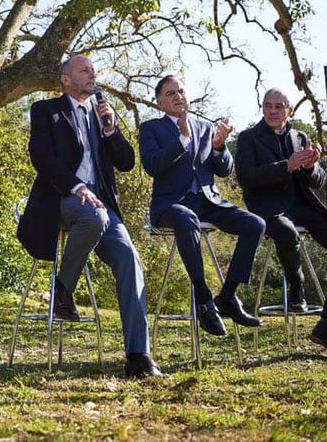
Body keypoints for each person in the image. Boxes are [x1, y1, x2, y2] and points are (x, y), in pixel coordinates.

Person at [18, 56, 162, 378]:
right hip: (61, 199)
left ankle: (139, 355)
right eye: (84, 70)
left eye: (94, 70)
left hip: (103, 206)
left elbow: (126, 162)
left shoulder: (103, 112)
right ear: (66, 79)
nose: (92, 74)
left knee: (129, 258)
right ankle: (64, 289)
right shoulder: (47, 111)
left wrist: (111, 130)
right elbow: (41, 158)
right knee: (95, 218)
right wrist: (77, 186)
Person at [235, 88, 327, 352]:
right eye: (267, 106)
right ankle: (297, 290)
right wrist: (287, 165)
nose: (272, 111)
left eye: (278, 106)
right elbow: (246, 178)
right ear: (262, 108)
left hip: (304, 207)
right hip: (268, 208)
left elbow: (318, 181)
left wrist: (309, 167)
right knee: (287, 233)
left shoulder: (301, 137)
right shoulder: (248, 138)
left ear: (290, 110)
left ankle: (326, 325)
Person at [138, 74, 265, 336]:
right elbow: (152, 166)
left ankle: (228, 297)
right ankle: (204, 298)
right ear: (159, 102)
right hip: (171, 204)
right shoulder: (151, 128)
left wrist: (219, 147)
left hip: (207, 200)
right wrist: (182, 138)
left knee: (255, 224)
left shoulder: (206, 128)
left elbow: (224, 170)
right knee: (187, 218)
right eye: (171, 93)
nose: (178, 97)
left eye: (182, 91)